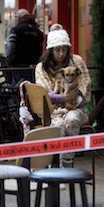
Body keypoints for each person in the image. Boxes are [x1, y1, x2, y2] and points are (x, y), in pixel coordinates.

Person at [34, 24, 91, 166]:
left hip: (77, 108)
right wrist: (63, 98)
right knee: (58, 126)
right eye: (57, 50)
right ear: (50, 50)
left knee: (71, 120)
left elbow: (85, 83)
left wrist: (75, 100)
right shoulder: (42, 68)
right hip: (52, 111)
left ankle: (67, 160)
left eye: (64, 49)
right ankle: (56, 163)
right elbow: (44, 92)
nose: (61, 54)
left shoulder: (76, 61)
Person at [6, 8, 43, 84]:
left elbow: (11, 49)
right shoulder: (38, 32)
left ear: (18, 17)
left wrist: (8, 62)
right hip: (33, 67)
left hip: (18, 67)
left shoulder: (16, 30)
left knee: (17, 89)